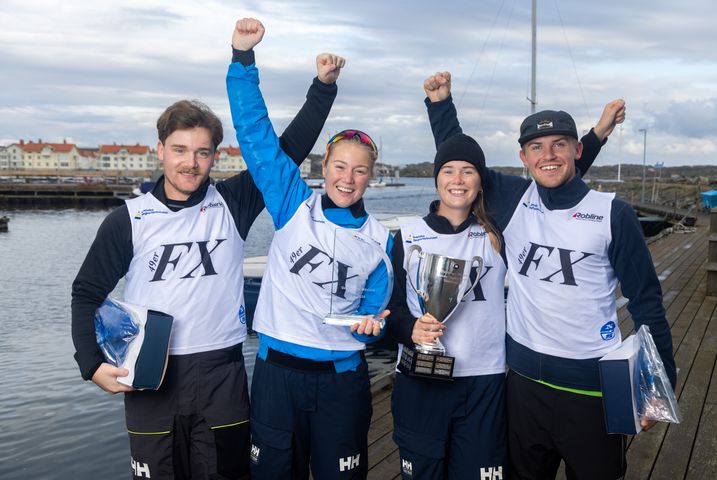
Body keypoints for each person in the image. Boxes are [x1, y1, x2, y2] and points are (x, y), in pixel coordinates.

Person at [71, 48, 344, 479]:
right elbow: (86, 292)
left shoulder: (232, 202)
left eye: (202, 152)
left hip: (222, 375)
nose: (190, 163)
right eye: (180, 150)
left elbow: (285, 150)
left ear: (215, 155)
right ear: (160, 149)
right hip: (150, 375)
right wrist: (91, 364)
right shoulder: (128, 219)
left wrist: (323, 88)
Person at [425, 72, 676, 480]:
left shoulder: (614, 214)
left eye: (560, 145)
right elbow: (460, 159)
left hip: (591, 391)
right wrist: (440, 104)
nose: (548, 155)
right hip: (522, 389)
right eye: (536, 147)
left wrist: (655, 388)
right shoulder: (513, 200)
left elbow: (647, 303)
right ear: (523, 157)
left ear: (578, 150)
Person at [226, 18, 393, 480]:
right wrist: (243, 57)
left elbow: (375, 318)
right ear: (324, 168)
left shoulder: (381, 241)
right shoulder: (292, 204)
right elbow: (255, 136)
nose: (347, 178)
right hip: (277, 377)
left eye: (359, 171)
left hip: (342, 382)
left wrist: (368, 330)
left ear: (371, 177)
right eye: (339, 166)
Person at [386, 133, 508, 479]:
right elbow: (390, 308)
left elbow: (554, 183)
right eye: (449, 171)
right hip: (422, 381)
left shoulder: (495, 235)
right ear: (436, 178)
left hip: (483, 383)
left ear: (481, 181)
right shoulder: (407, 236)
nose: (458, 180)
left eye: (468, 171)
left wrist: (598, 135)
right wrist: (410, 329)